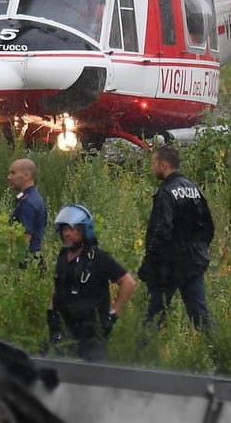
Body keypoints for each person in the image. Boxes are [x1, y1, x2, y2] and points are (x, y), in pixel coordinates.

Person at [138, 145, 215, 335]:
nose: (152, 168)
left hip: (168, 266)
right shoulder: (194, 189)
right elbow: (208, 227)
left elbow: (161, 229)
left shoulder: (165, 192)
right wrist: (199, 251)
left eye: (154, 164)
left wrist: (150, 260)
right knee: (200, 315)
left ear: (163, 165)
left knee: (154, 314)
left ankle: (137, 357)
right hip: (192, 263)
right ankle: (222, 354)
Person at [47, 204, 137, 362]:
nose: (67, 233)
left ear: (85, 231)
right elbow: (56, 286)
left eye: (73, 229)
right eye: (64, 229)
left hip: (91, 336)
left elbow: (128, 283)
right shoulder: (63, 256)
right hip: (65, 331)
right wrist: (51, 315)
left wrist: (113, 315)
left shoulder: (100, 258)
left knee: (90, 379)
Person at [7, 158, 47, 270]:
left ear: (27, 175)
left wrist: (14, 265)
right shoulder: (33, 197)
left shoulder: (28, 203)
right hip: (35, 261)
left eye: (13, 173)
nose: (9, 177)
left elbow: (25, 238)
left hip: (29, 265)